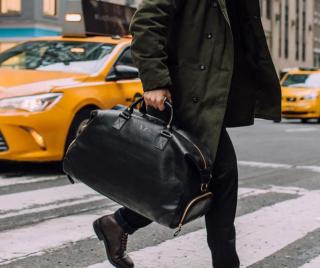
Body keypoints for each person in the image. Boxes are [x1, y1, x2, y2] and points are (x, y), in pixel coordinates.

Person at [92, 0, 281, 267]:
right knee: (219, 181)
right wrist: (155, 81)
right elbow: (147, 20)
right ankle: (119, 223)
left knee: (201, 183)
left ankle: (119, 223)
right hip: (183, 96)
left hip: (204, 96)